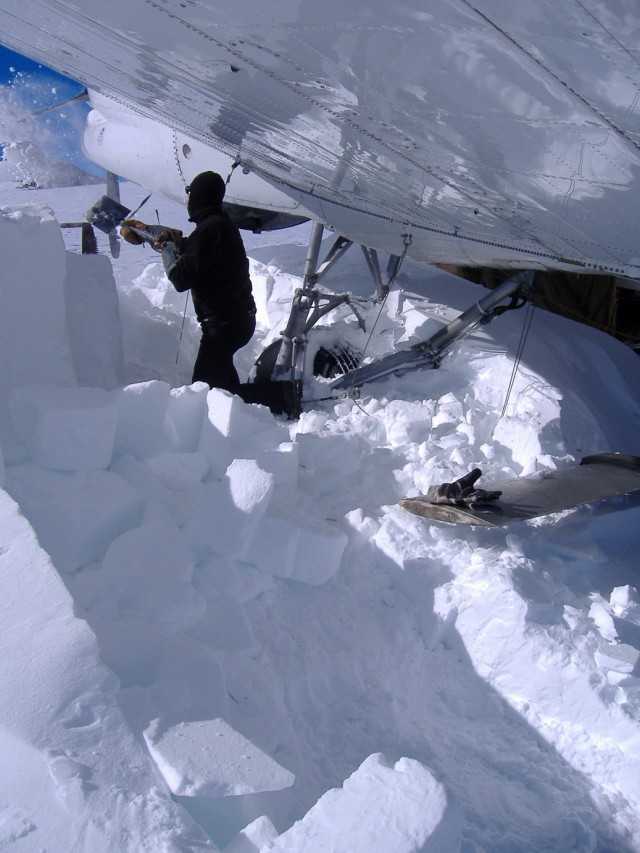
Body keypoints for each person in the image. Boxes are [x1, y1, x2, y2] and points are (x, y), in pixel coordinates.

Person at [123, 171, 256, 393]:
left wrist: (165, 248)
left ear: (197, 197)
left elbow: (180, 278)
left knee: (203, 390)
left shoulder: (208, 230)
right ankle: (257, 411)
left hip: (223, 327)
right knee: (222, 386)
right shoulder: (220, 223)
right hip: (238, 320)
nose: (188, 199)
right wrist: (153, 233)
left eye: (190, 193)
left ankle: (281, 400)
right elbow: (201, 254)